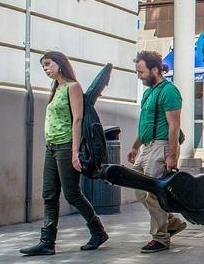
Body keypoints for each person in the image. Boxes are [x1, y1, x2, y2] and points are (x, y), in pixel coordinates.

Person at [20, 51, 109, 256]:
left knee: (71, 193)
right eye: (43, 66)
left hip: (67, 146)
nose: (45, 69)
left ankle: (98, 231)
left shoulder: (73, 87)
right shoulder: (57, 87)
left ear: (60, 64)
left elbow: (77, 120)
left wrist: (75, 152)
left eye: (48, 64)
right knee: (49, 194)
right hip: (52, 147)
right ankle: (47, 243)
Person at [127, 51, 187, 253]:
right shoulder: (148, 92)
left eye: (141, 72)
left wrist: (172, 155)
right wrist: (136, 145)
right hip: (146, 148)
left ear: (155, 69)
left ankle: (161, 238)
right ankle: (170, 222)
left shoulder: (169, 91)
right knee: (138, 190)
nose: (139, 76)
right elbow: (145, 124)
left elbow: (174, 126)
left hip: (160, 147)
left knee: (152, 193)